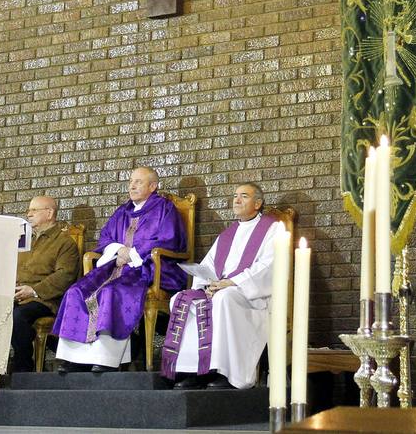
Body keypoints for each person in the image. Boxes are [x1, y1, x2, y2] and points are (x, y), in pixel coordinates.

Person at [51, 166, 186, 371]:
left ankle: (106, 359)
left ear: (153, 186)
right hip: (115, 265)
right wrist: (119, 249)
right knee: (76, 291)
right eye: (131, 181)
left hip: (149, 269)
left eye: (138, 182)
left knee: (110, 291)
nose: (132, 185)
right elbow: (105, 237)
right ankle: (76, 359)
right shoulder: (123, 211)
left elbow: (169, 240)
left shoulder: (165, 209)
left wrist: (132, 253)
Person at [162, 183, 280, 389]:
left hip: (250, 296)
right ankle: (195, 370)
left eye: (244, 196)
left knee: (225, 298)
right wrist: (207, 285)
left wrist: (231, 282)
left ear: (258, 203)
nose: (237, 200)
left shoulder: (273, 229)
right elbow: (208, 265)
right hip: (222, 289)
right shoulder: (228, 234)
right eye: (235, 196)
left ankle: (227, 372)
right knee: (181, 299)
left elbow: (269, 266)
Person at [0, 195, 80, 385]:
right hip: (14, 295)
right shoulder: (22, 240)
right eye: (29, 210)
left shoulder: (64, 243)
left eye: (34, 210)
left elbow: (65, 275)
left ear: (49, 213)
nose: (28, 214)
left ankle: (22, 369)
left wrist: (34, 290)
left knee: (17, 316)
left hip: (43, 299)